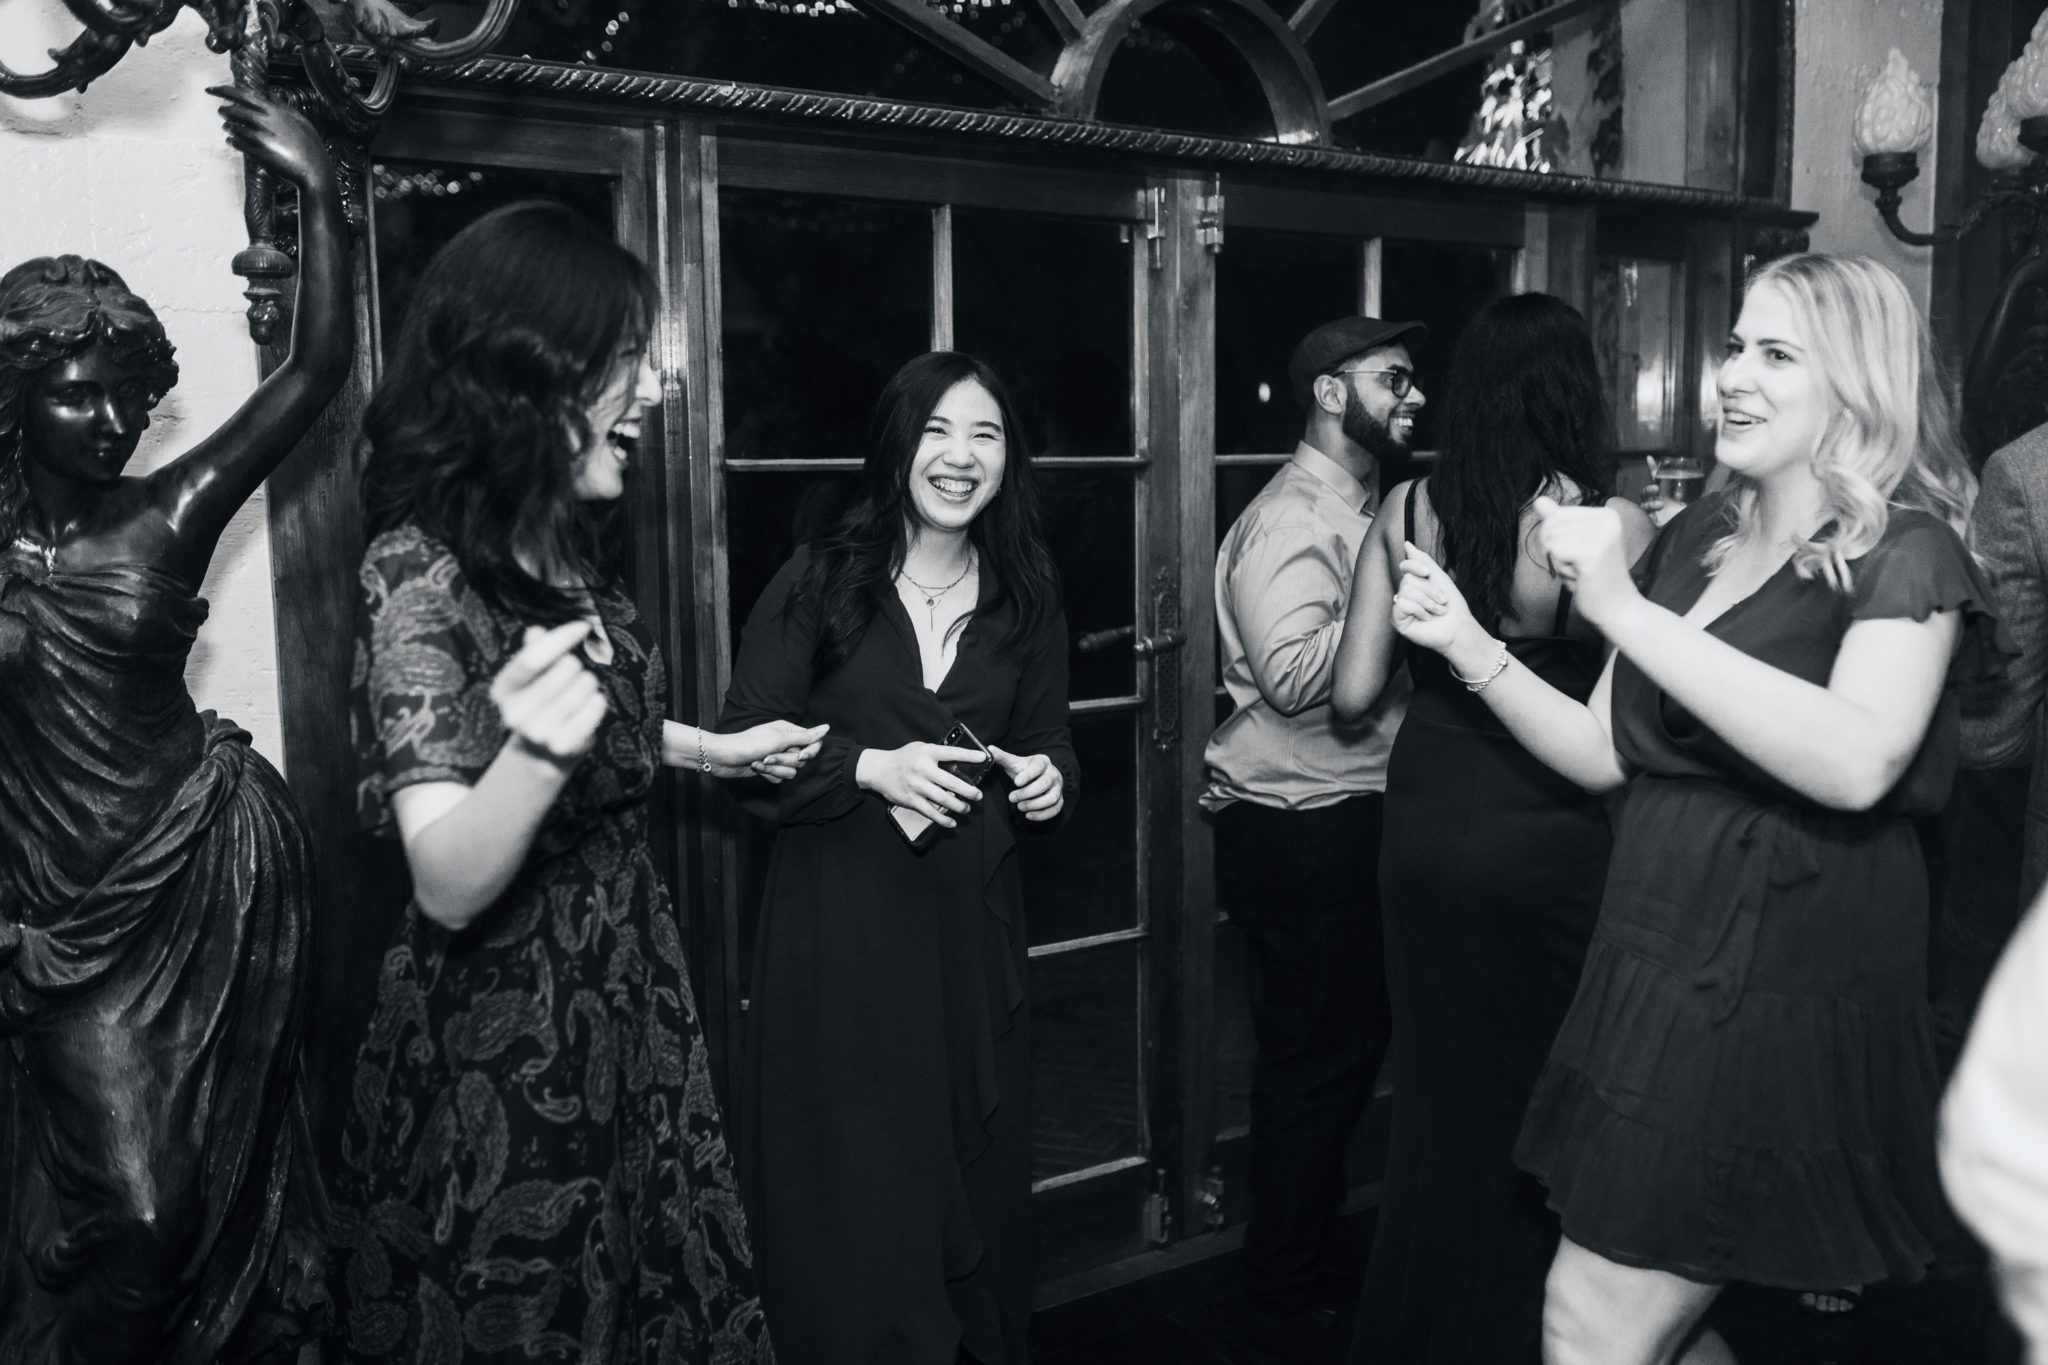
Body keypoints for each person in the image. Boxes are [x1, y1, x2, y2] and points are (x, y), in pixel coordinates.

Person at [1387, 252, 2003, 1365]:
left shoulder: (1902, 553)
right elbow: (1594, 749)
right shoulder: (1698, 542)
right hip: (1656, 954)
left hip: (1779, 973)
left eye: (1775, 355)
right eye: (1730, 348)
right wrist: (1465, 646)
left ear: (1856, 387)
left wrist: (1616, 606)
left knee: (1592, 1314)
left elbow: (1858, 758)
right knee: (1636, 1309)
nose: (1731, 377)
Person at [329, 200, 820, 1363]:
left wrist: (710, 750)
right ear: (525, 374)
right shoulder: (417, 576)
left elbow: (594, 731)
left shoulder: (554, 548)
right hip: (511, 1031)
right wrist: (537, 755)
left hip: (625, 982)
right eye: (621, 361)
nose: (649, 388)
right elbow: (447, 875)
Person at [0, 89, 346, 1365]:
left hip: (208, 877)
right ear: (19, 394)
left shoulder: (168, 511)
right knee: (143, 1217)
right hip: (65, 921)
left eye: (128, 397)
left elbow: (314, 376)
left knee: (207, 1196)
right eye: (80, 396)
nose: (111, 423)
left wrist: (320, 193)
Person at [720, 350, 1075, 1365]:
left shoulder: (1026, 591)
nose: (960, 457)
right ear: (896, 446)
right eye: (937, 432)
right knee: (852, 1165)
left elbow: (1052, 742)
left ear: (1009, 457)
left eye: (986, 434)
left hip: (969, 922)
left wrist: (1050, 781)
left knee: (962, 1160)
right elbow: (744, 745)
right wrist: (867, 767)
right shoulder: (821, 576)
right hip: (840, 917)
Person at [1330, 293, 1654, 1364]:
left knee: (1433, 1088)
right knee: (1545, 1082)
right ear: (1574, 390)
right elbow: (1631, 716)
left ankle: (1418, 1331)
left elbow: (1351, 692)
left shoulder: (1407, 507)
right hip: (1549, 818)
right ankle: (1536, 1328)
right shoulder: (1613, 526)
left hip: (1423, 817)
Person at [1203, 315, 1421, 1361]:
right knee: (1310, 1062)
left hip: (1339, 815)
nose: (1410, 398)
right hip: (1298, 824)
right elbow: (1299, 683)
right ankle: (1279, 1287)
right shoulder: (1296, 519)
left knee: (1338, 1055)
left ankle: (1304, 1255)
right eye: (1392, 380)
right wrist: (1406, 596)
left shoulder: (1366, 510)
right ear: (1330, 394)